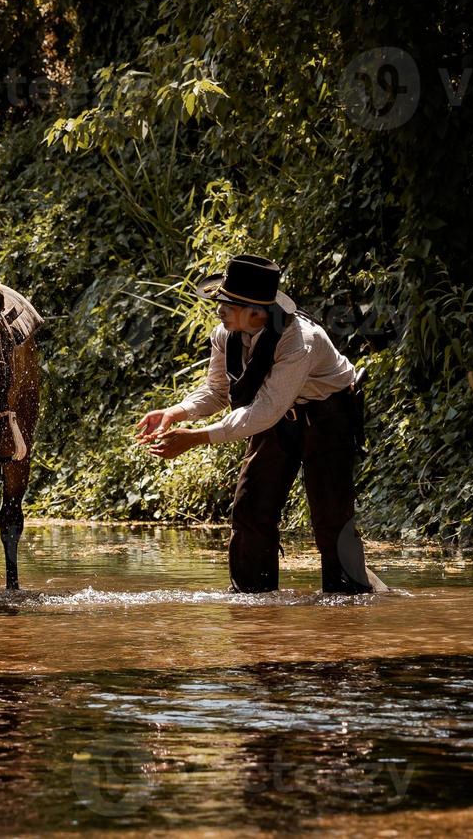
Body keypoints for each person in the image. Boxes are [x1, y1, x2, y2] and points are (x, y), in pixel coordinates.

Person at [136, 255, 379, 594]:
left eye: (226, 302)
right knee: (250, 507)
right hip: (278, 413)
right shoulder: (225, 334)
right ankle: (253, 602)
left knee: (331, 518)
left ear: (256, 311)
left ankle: (349, 602)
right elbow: (217, 391)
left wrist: (196, 438)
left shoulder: (299, 341)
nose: (217, 307)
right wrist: (176, 413)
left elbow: (265, 410)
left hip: (329, 415)